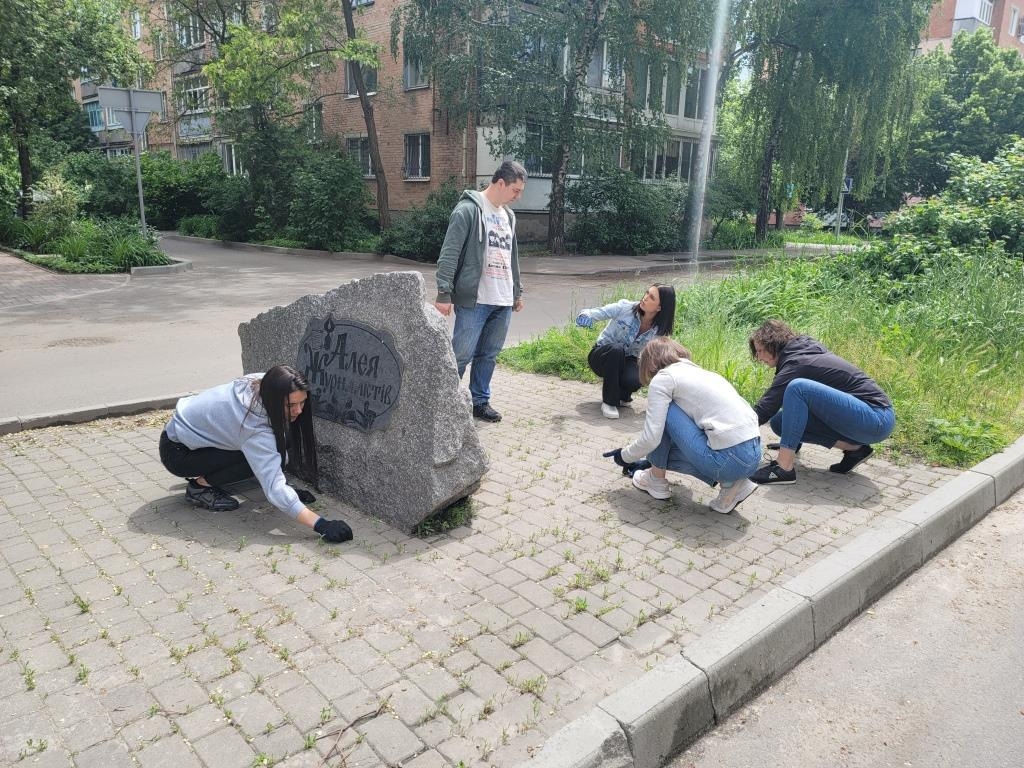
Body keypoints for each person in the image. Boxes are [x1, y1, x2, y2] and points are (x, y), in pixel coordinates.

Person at [158, 365, 352, 542]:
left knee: (277, 447)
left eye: (302, 403)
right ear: (274, 399)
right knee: (255, 457)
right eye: (291, 406)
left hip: (192, 437)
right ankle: (199, 487)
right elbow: (274, 488)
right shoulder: (252, 426)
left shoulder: (262, 382)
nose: (299, 410)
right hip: (178, 453)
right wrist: (321, 524)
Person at [605, 337, 762, 514]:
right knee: (667, 433)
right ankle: (732, 484)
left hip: (726, 461)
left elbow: (651, 438)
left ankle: (656, 479)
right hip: (753, 456)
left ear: (650, 362)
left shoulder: (664, 378)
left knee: (665, 410)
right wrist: (649, 457)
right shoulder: (705, 374)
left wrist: (624, 456)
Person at [747, 319, 895, 484]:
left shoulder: (796, 362)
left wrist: (735, 431)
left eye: (760, 351)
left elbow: (767, 406)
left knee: (797, 388)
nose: (759, 357)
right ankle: (855, 450)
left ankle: (784, 468)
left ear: (773, 344)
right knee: (779, 422)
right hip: (863, 418)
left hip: (876, 418)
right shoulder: (799, 352)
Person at [434, 160, 527, 423]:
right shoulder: (467, 211)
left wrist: (516, 292)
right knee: (461, 354)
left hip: (502, 299)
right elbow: (449, 253)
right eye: (515, 191)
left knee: (488, 354)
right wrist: (444, 292)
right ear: (500, 183)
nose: (517, 197)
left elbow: (512, 257)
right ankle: (443, 401)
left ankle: (479, 402)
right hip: (475, 300)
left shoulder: (508, 215)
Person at [576, 284, 676, 419]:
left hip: (627, 359)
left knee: (638, 377)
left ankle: (622, 395)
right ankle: (609, 403)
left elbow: (659, 359)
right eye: (646, 293)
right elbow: (597, 312)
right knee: (617, 350)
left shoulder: (659, 331)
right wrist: (585, 316)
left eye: (651, 297)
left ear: (659, 307)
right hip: (602, 355)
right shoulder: (625, 308)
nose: (645, 298)